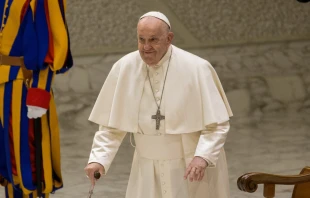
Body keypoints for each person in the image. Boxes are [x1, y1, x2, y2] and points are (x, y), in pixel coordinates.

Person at [84, 11, 233, 198]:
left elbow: (217, 124)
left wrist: (202, 157)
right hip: (146, 168)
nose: (146, 47)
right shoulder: (124, 68)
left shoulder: (197, 68)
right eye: (141, 39)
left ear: (169, 38)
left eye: (154, 40)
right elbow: (110, 126)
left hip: (189, 165)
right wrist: (98, 160)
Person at [0, 0, 73, 197]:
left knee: (26, 163)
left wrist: (39, 91)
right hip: (1, 85)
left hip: (21, 86)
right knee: (5, 161)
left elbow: (49, 44)